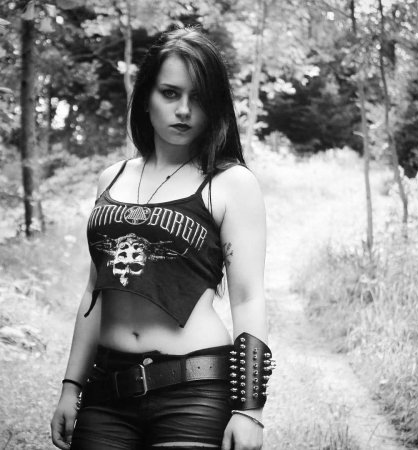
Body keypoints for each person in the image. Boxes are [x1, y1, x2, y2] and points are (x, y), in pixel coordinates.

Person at [51, 27, 274, 450]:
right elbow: (94, 291)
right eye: (170, 93)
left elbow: (248, 299)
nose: (184, 110)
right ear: (146, 97)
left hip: (196, 390)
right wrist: (70, 386)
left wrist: (249, 409)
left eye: (198, 98)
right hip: (108, 390)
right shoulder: (111, 178)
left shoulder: (231, 183)